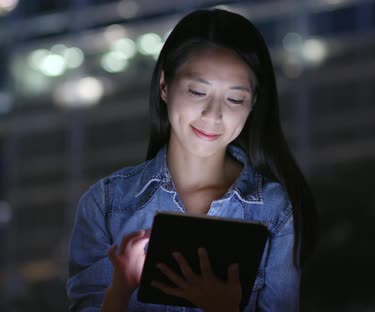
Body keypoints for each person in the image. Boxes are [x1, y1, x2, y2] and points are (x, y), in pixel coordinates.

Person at [66, 8, 318, 312]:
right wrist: (121, 289)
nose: (213, 115)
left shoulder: (274, 210)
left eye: (235, 99)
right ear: (164, 86)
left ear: (253, 105)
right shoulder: (107, 205)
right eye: (198, 91)